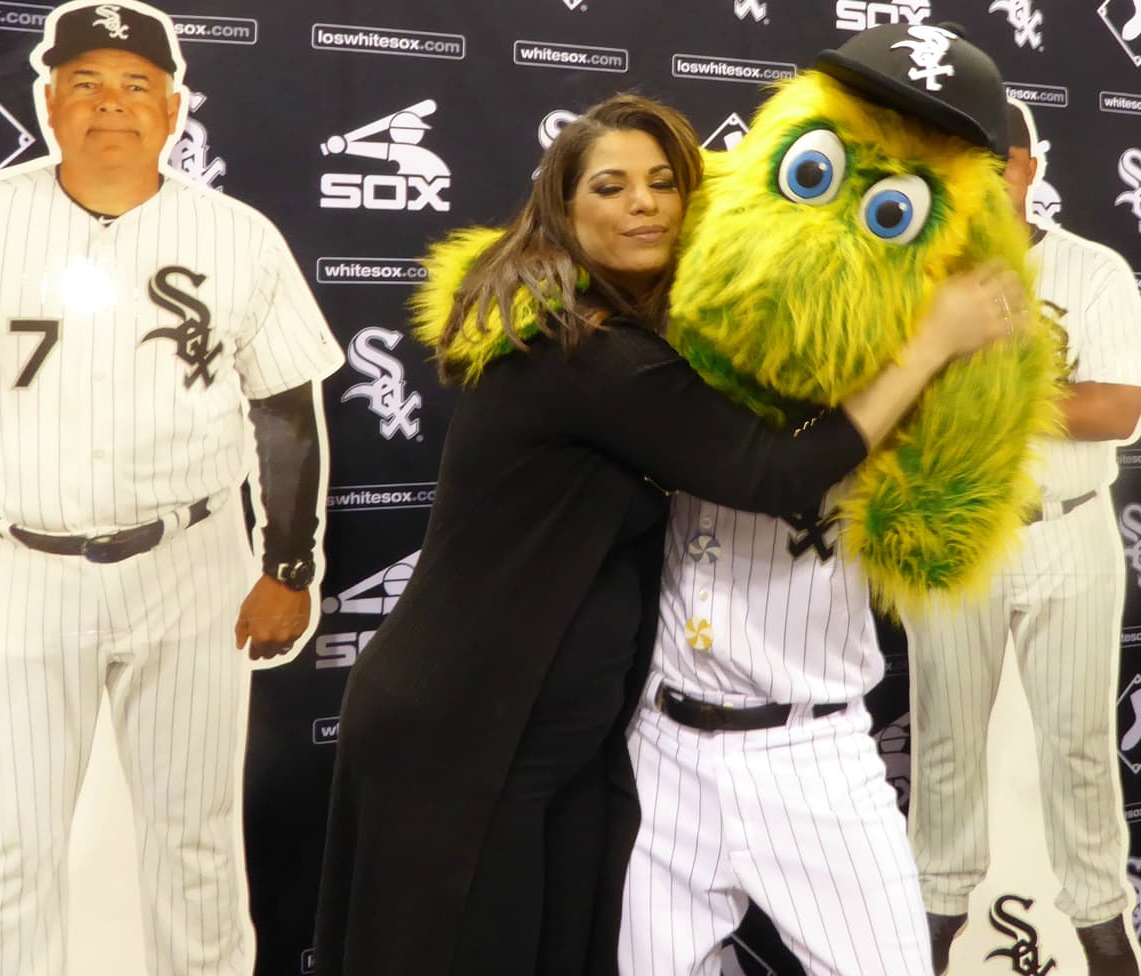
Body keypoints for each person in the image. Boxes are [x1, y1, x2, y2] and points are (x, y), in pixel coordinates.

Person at [313, 91, 1027, 976]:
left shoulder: (623, 333)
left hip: (554, 737)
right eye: (610, 187)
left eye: (662, 183)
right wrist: (930, 342)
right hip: (468, 730)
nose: (643, 204)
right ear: (562, 207)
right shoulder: (587, 350)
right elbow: (773, 473)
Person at [0, 2, 342, 973]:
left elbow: (285, 412)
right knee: (10, 849)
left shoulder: (237, 236)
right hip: (15, 568)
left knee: (195, 843)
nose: (109, 103)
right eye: (85, 82)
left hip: (191, 565)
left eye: (134, 85)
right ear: (47, 102)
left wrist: (289, 562)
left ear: (173, 108)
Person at [616, 25, 1037, 976]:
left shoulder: (920, 370)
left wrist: (946, 339)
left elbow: (935, 526)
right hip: (662, 738)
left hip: (810, 752)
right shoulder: (688, 290)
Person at [904, 99, 1141, 976]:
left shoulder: (1092, 268)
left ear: (1028, 169)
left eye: (998, 160)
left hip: (1067, 526)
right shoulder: (914, 273)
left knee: (1079, 745)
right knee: (944, 744)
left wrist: (972, 384)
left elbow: (1114, 409)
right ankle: (932, 919)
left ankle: (1101, 924)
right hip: (957, 524)